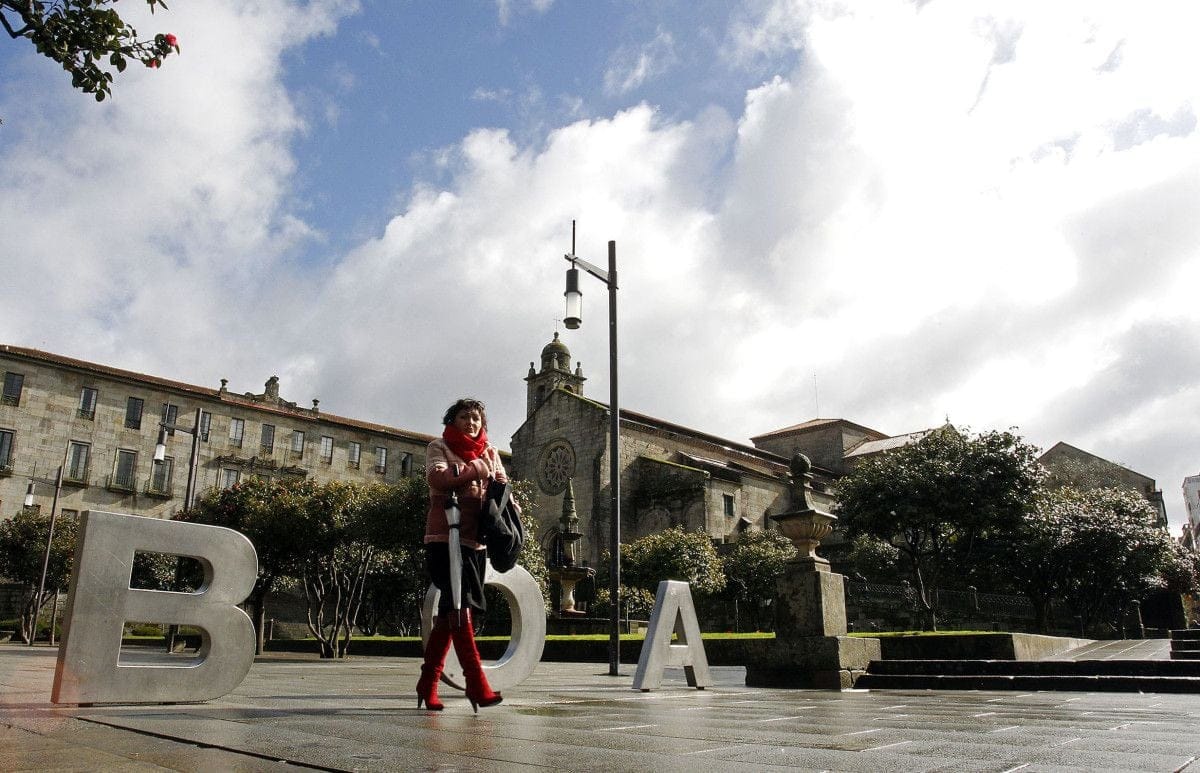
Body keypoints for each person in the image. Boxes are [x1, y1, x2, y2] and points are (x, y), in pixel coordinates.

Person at [416, 398, 505, 712]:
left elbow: (503, 490)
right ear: (453, 420)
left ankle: (428, 682)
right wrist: (477, 469)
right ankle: (475, 682)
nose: (472, 422)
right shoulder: (438, 447)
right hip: (444, 538)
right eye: (465, 417)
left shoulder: (491, 451)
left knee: (451, 613)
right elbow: (438, 479)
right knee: (460, 604)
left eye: (477, 418)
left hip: (475, 542)